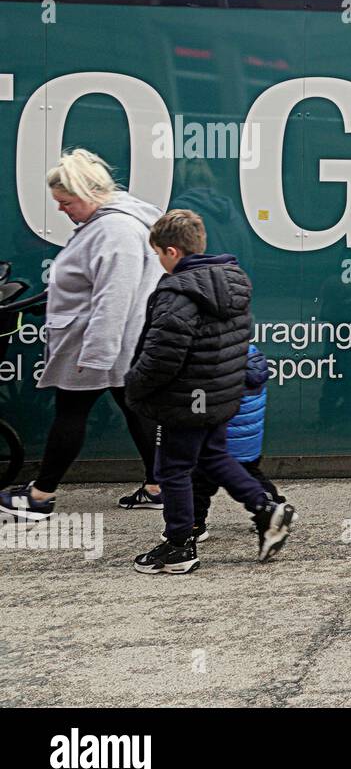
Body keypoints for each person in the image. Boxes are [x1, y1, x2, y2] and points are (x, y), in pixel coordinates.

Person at [124, 210, 295, 574]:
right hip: (219, 393)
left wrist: (135, 384)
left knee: (173, 469)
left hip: (186, 397)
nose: (159, 262)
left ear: (172, 251)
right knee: (214, 457)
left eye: (158, 254)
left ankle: (179, 547)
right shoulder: (231, 281)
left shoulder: (177, 292)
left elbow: (163, 356)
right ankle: (266, 509)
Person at [0, 150, 163, 522]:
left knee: (71, 413)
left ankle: (40, 496)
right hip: (118, 344)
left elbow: (114, 298)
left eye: (66, 202)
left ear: (88, 193)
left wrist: (95, 355)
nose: (60, 209)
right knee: (136, 411)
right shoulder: (115, 222)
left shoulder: (114, 230)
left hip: (98, 343)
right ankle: (160, 487)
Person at [187, 343, 284, 542]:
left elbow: (206, 403)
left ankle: (194, 526)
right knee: (252, 476)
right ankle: (276, 508)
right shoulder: (251, 354)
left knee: (198, 484)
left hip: (224, 442)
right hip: (248, 441)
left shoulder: (217, 362)